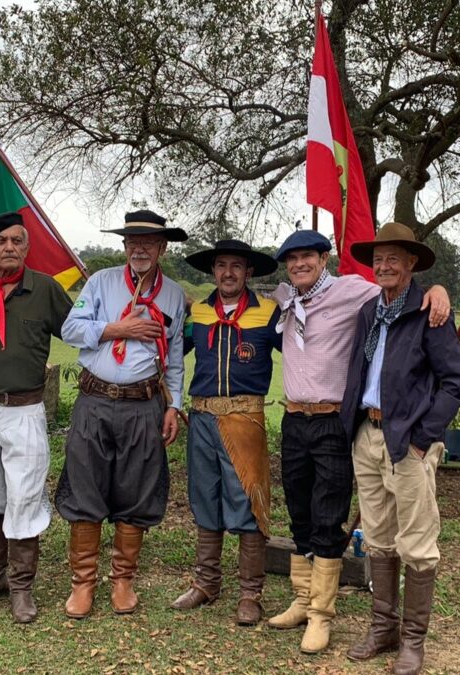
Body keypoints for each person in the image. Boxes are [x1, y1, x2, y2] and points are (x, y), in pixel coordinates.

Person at [267, 230, 450, 654]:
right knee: (299, 513)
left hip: (335, 419)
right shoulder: (287, 300)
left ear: (324, 258)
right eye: (292, 260)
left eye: (307, 257)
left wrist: (438, 289)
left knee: (329, 515)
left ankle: (321, 614)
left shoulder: (356, 293)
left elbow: (405, 294)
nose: (299, 265)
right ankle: (302, 599)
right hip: (297, 417)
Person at [339, 223, 460, 675]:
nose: (384, 266)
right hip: (368, 435)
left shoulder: (429, 312)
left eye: (394, 258)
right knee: (376, 537)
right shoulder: (369, 312)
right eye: (378, 259)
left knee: (416, 542)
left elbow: (456, 383)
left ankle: (413, 640)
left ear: (411, 264)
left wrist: (423, 437)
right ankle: (383, 627)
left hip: (407, 443)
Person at [55, 209, 187, 619]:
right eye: (132, 241)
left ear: (162, 247)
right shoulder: (100, 282)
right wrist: (117, 329)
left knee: (137, 487)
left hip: (144, 403)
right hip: (95, 400)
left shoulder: (175, 295)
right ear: (124, 246)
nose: (140, 249)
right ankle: (83, 583)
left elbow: (177, 356)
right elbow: (70, 329)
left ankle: (123, 579)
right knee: (84, 484)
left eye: (148, 242)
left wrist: (174, 406)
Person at [0, 212, 74, 623]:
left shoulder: (45, 290)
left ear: (26, 247)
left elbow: (79, 332)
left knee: (24, 494)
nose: (9, 248)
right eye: (1, 241)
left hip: (24, 410)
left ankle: (22, 587)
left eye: (17, 241)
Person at [172, 240, 281, 626]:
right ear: (213, 271)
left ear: (248, 272)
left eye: (237, 266)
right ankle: (206, 582)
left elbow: (305, 348)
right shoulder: (198, 312)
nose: (229, 273)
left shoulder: (269, 312)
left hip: (245, 419)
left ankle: (251, 592)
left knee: (248, 499)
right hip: (201, 418)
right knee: (204, 496)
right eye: (222, 265)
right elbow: (171, 351)